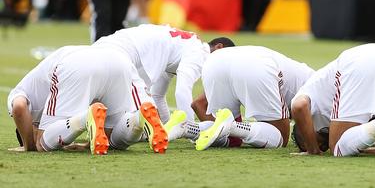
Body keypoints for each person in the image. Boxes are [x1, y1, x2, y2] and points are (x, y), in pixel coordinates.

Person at [8, 46, 168, 154]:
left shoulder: (21, 94)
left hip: (77, 64)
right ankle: (138, 119)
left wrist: (29, 146)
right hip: (117, 60)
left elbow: (18, 108)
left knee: (42, 144)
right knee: (113, 139)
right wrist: (85, 145)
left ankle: (84, 118)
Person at [93, 24, 234, 132]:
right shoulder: (200, 53)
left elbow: (158, 95)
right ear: (219, 47)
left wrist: (167, 126)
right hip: (123, 50)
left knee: (105, 102)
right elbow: (182, 91)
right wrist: (191, 131)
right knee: (138, 120)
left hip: (113, 44)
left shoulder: (182, 48)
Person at [194, 46, 314, 150]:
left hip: (214, 62)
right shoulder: (322, 94)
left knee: (231, 139)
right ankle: (232, 125)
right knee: (280, 136)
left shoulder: (314, 79)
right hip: (258, 66)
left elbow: (198, 103)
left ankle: (185, 128)